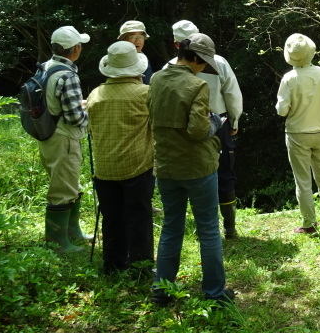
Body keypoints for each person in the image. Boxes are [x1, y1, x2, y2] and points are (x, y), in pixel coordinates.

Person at [149, 33, 234, 306]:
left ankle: (161, 290)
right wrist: (216, 123)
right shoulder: (196, 86)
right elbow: (198, 131)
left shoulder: (156, 79)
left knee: (171, 228)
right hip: (198, 167)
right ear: (195, 58)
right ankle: (214, 293)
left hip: (165, 166)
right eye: (203, 63)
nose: (204, 67)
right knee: (208, 229)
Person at [170, 20, 243, 239]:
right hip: (219, 123)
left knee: (193, 172)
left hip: (184, 128)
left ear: (176, 45)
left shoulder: (169, 67)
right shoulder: (219, 62)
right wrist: (234, 121)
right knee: (224, 172)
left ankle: (202, 227)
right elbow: (232, 93)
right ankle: (229, 228)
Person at [86, 41, 154, 275]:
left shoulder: (96, 94)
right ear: (137, 69)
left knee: (111, 217)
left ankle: (112, 265)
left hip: (104, 168)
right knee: (139, 218)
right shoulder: (145, 93)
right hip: (138, 165)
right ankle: (141, 268)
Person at [275, 33, 320, 233]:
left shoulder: (289, 78)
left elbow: (281, 110)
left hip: (297, 133)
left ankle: (309, 224)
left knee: (303, 180)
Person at [39, 25, 92, 253]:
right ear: (76, 49)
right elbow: (73, 118)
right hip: (64, 137)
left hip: (49, 134)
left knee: (68, 184)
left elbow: (54, 102)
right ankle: (58, 243)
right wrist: (91, 113)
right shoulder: (67, 75)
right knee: (62, 189)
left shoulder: (47, 67)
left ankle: (73, 232)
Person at [118, 20, 154, 84]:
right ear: (123, 39)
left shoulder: (143, 58)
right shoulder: (116, 58)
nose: (137, 41)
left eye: (140, 37)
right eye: (133, 37)